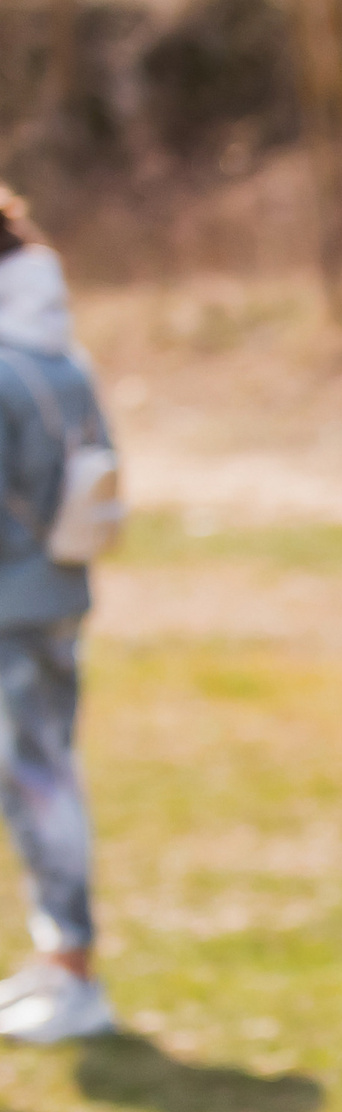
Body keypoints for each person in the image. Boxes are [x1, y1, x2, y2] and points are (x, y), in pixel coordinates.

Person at [0, 185, 115, 1043]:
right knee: (42, 777)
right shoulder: (61, 354)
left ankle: (71, 970)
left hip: (13, 605)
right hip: (56, 593)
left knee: (38, 785)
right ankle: (58, 960)